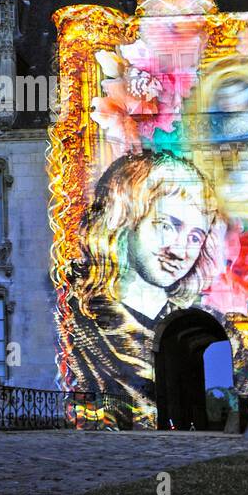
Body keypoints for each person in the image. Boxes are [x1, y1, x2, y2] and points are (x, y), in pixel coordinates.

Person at [62, 150, 220, 423]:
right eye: (167, 226)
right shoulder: (72, 320)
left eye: (195, 237)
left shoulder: (199, 324)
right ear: (124, 217)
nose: (181, 251)